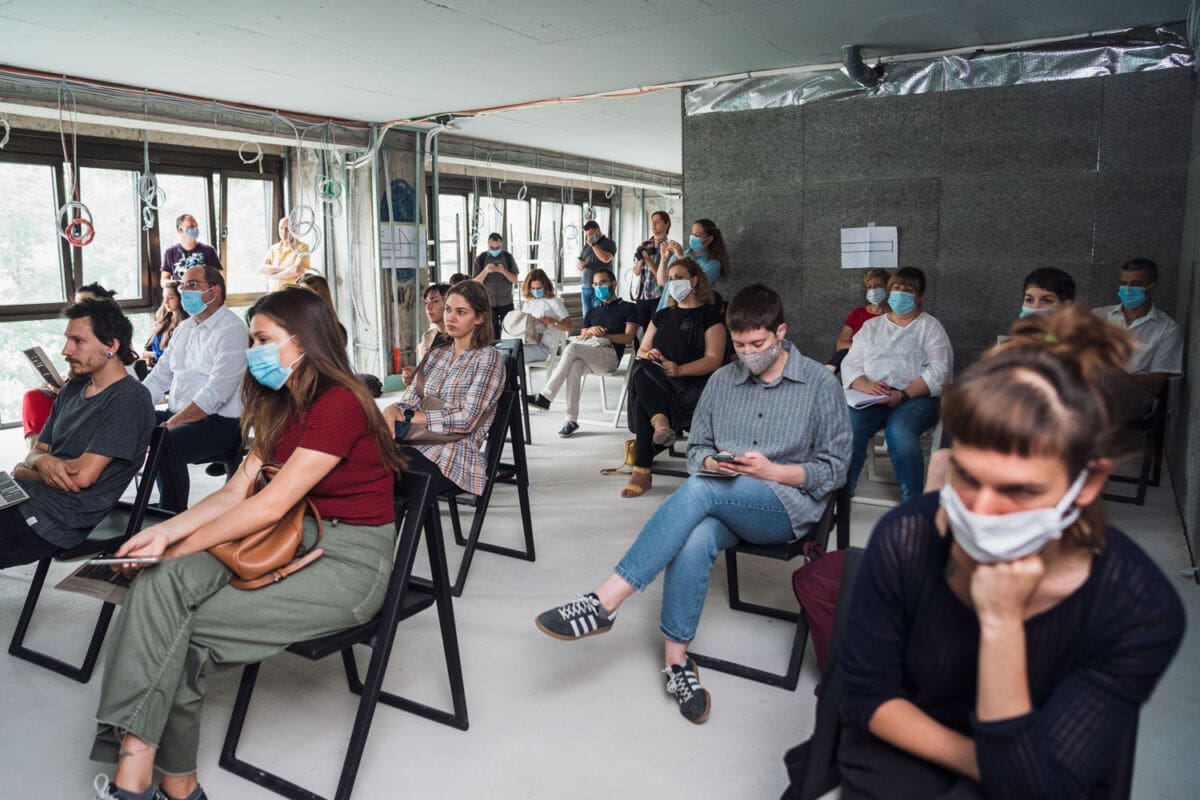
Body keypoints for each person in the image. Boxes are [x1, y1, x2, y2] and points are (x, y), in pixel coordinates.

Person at [837, 306, 1185, 799]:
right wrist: (991, 762)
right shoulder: (908, 537)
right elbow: (866, 699)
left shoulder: (1138, 607)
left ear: (1088, 483)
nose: (982, 510)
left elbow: (1039, 788)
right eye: (969, 477)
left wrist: (1001, 623)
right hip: (909, 753)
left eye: (1019, 490)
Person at [89, 287, 405, 800]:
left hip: (347, 559)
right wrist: (165, 533)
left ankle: (155, 774)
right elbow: (236, 492)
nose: (252, 350)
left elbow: (268, 505)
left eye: (262, 339)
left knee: (172, 630)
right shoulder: (281, 403)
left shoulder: (341, 403)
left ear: (304, 340)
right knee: (159, 583)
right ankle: (154, 773)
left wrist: (180, 544)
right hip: (282, 536)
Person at [534, 284, 851, 724]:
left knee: (701, 490)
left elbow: (835, 470)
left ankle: (604, 601)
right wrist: (713, 463)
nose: (748, 354)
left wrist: (773, 472)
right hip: (726, 496)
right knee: (696, 534)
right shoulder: (722, 381)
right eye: (740, 346)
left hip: (785, 505)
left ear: (781, 332)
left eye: (758, 344)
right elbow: (698, 448)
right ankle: (677, 662)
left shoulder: (819, 384)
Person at [2, 298, 155, 569]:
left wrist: (28, 472)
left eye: (78, 341)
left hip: (53, 518)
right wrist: (42, 462)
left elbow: (80, 478)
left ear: (111, 346)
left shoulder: (128, 399)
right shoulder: (73, 388)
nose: (66, 350)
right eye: (67, 339)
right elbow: (38, 450)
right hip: (25, 497)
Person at [142, 265, 248, 512]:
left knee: (166, 441)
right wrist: (133, 405)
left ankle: (172, 513)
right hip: (178, 415)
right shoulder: (184, 328)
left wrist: (171, 423)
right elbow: (159, 377)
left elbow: (216, 393)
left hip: (219, 424)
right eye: (183, 285)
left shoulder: (232, 330)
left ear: (215, 291)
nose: (184, 291)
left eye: (192, 284)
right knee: (129, 424)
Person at [383, 281, 505, 497]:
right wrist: (393, 409)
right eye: (448, 310)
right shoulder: (437, 354)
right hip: (415, 440)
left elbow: (467, 419)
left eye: (461, 312)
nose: (451, 317)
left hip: (455, 452)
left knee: (385, 473)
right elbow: (410, 400)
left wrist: (411, 416)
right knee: (361, 462)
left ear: (479, 318)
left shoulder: (488, 357)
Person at [842, 266, 952, 503]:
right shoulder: (871, 327)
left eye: (908, 290)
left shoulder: (930, 327)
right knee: (849, 427)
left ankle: (913, 503)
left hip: (917, 398)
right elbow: (850, 361)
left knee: (899, 430)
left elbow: (940, 371)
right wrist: (864, 384)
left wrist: (903, 394)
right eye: (896, 288)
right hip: (873, 397)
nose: (900, 293)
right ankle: (840, 498)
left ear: (919, 296)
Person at [621, 259, 726, 498]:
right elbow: (642, 350)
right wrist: (652, 354)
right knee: (642, 366)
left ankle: (642, 469)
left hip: (693, 384)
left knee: (642, 399)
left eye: (679, 278)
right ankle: (660, 424)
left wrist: (680, 370)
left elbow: (714, 359)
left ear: (694, 280)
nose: (674, 283)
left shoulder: (710, 316)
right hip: (660, 381)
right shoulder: (662, 316)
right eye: (670, 279)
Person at [527, 268, 638, 438]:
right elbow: (583, 335)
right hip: (590, 352)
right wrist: (590, 331)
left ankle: (546, 396)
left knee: (572, 348)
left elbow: (629, 338)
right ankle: (571, 420)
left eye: (602, 283)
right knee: (575, 367)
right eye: (595, 285)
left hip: (609, 356)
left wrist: (604, 335)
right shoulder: (592, 312)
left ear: (613, 283)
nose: (598, 287)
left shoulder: (629, 308)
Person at [21, 283, 118, 448]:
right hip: (77, 391)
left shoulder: (111, 338)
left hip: (95, 402)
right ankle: (36, 454)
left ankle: (47, 454)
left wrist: (67, 393)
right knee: (34, 396)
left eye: (85, 305)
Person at [1093, 258, 1182, 422]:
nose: (1128, 289)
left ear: (1153, 286)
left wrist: (1121, 377)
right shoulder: (1099, 316)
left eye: (1136, 284)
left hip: (1140, 399)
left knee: (1102, 377)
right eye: (1124, 283)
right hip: (1093, 390)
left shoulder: (1167, 328)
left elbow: (1156, 383)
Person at [827, 268, 890, 372]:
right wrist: (866, 348)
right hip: (858, 362)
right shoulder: (858, 313)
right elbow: (841, 344)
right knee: (843, 354)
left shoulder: (895, 315)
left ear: (888, 288)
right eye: (869, 287)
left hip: (883, 363)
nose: (873, 290)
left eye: (878, 285)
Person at [658, 218, 729, 310]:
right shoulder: (682, 254)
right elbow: (662, 282)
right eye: (692, 233)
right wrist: (663, 260)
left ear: (708, 239)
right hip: (665, 307)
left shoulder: (713, 264)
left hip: (689, 311)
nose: (692, 237)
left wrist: (680, 257)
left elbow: (697, 285)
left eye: (697, 235)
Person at [472, 232, 519, 338]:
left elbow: (515, 280)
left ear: (501, 244)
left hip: (506, 302)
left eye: (497, 248)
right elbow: (475, 283)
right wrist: (485, 271)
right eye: (492, 248)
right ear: (488, 243)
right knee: (489, 334)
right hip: (487, 303)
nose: (494, 250)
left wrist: (503, 271)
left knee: (509, 332)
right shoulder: (481, 259)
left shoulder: (508, 258)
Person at [519, 269, 570, 364]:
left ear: (545, 286)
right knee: (504, 350)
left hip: (543, 348)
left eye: (539, 288)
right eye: (533, 288)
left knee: (511, 354)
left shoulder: (554, 302)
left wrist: (552, 321)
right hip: (526, 343)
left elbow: (568, 327)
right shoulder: (528, 305)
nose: (536, 291)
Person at [138, 281, 188, 375]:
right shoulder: (163, 318)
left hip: (170, 373)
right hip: (155, 368)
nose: (165, 302)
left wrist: (153, 355)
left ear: (180, 299)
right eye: (164, 297)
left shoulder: (185, 325)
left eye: (170, 298)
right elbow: (151, 344)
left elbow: (178, 357)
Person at [631, 210, 669, 328]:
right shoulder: (644, 245)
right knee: (641, 331)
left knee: (656, 330)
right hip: (642, 294)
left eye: (658, 222)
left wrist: (648, 260)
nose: (653, 225)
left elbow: (663, 278)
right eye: (652, 222)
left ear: (667, 224)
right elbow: (636, 272)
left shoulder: (670, 248)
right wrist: (641, 257)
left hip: (658, 296)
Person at [161, 214, 222, 286]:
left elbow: (218, 278)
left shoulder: (209, 250)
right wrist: (178, 283)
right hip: (179, 292)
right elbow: (163, 280)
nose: (195, 229)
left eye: (196, 226)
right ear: (181, 230)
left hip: (202, 292)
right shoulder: (170, 252)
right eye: (192, 226)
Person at [576, 220, 617, 318]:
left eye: (591, 234)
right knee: (587, 318)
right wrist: (580, 265)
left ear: (597, 230)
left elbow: (606, 258)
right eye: (587, 235)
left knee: (600, 317)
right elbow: (579, 265)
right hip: (586, 288)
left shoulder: (609, 243)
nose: (589, 237)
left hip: (600, 288)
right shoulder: (586, 246)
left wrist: (594, 245)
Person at [259, 216, 310, 292]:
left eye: (287, 229)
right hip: (274, 294)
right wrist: (287, 269)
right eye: (281, 228)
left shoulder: (302, 247)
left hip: (291, 294)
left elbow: (297, 270)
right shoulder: (273, 248)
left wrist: (275, 276)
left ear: (294, 230)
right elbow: (262, 268)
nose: (284, 232)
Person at [411, 283, 452, 370]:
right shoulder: (429, 337)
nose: (428, 307)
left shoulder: (460, 339)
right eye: (426, 302)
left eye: (435, 301)